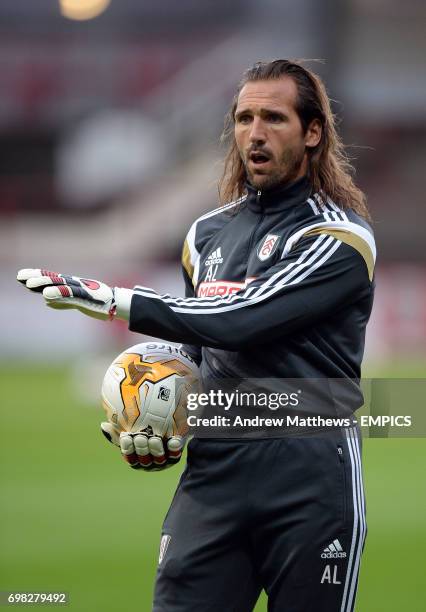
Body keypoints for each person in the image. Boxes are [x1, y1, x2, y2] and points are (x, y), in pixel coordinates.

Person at [17, 59, 375, 611]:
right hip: (215, 479)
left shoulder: (338, 237)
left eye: (274, 118)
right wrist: (156, 415)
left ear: (312, 132)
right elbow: (198, 350)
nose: (255, 133)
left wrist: (116, 300)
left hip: (309, 480)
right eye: (244, 117)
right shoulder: (204, 235)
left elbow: (244, 319)